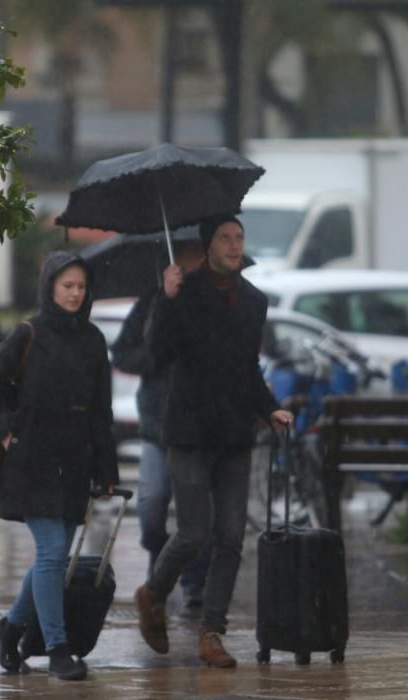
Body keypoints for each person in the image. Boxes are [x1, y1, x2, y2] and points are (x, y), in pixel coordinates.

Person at [134, 215, 294, 668]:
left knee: (231, 536)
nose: (234, 244)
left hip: (234, 433)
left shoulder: (254, 301)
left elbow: (248, 368)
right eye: (225, 238)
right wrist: (165, 299)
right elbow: (157, 355)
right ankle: (154, 593)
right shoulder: (183, 292)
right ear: (208, 246)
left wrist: (270, 409)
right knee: (193, 531)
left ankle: (212, 632)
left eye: (239, 237)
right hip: (188, 431)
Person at [0, 251, 119, 681]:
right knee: (54, 552)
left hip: (75, 464)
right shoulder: (28, 333)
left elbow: (101, 412)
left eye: (81, 287)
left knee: (51, 558)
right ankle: (57, 648)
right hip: (31, 461)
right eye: (67, 286)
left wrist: (107, 472)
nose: (75, 294)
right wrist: (5, 431)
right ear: (50, 288)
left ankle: (11, 626)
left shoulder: (93, 340)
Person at [111, 239, 212, 610]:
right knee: (152, 505)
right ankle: (161, 559)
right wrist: (154, 355)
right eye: (184, 256)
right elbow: (124, 353)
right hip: (157, 423)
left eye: (195, 256)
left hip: (198, 425)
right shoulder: (151, 303)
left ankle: (194, 582)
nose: (189, 263)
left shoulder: (212, 301)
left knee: (197, 512)